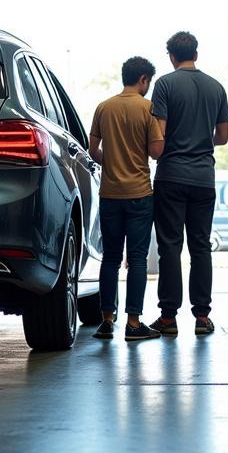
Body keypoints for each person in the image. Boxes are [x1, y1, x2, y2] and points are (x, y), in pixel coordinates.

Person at [148, 31, 228, 336]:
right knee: (201, 247)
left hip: (171, 174)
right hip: (203, 179)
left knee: (170, 246)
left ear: (171, 56)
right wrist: (199, 142)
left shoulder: (166, 84)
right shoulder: (216, 87)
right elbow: (222, 137)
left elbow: (160, 133)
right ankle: (202, 317)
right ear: (196, 53)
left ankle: (168, 317)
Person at [88, 56, 165, 343]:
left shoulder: (104, 107)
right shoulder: (147, 108)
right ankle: (133, 323)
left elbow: (92, 148)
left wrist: (111, 163)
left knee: (110, 257)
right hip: (139, 194)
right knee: (136, 259)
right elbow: (156, 151)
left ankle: (107, 320)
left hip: (109, 194)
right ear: (143, 79)